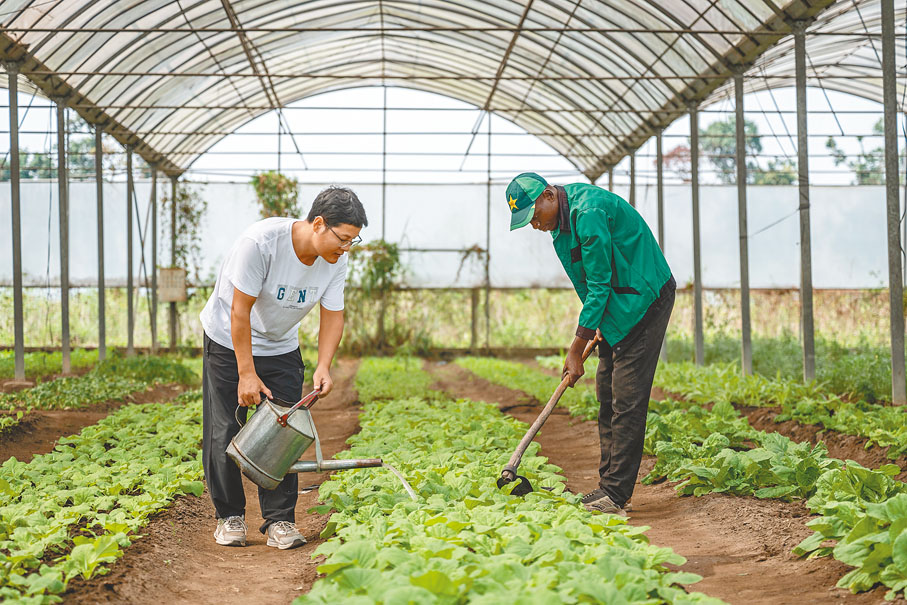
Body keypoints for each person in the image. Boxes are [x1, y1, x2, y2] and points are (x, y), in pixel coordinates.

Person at [199, 186, 367, 548]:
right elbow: (238, 311)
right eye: (343, 239)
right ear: (318, 224)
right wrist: (246, 372)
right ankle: (229, 516)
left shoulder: (337, 260)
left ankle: (280, 521)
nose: (346, 248)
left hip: (280, 345)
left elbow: (333, 315)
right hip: (229, 340)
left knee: (285, 427)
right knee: (226, 426)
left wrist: (324, 366)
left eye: (353, 241)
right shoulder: (260, 244)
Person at [505, 172, 674, 516]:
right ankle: (607, 487)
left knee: (626, 398)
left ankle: (615, 494)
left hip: (643, 300)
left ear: (550, 195)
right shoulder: (559, 229)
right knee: (607, 393)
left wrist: (575, 348)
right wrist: (597, 327)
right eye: (529, 222)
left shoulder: (589, 212)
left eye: (535, 215)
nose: (536, 225)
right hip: (616, 306)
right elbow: (589, 285)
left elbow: (599, 284)